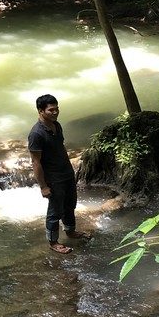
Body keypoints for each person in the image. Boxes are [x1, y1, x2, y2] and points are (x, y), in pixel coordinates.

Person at [28, 94, 90, 254]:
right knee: (55, 210)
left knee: (70, 204)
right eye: (51, 110)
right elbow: (36, 162)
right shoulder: (36, 134)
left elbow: (61, 146)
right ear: (41, 111)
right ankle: (53, 242)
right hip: (53, 178)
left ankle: (70, 231)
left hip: (66, 172)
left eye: (57, 109)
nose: (55, 112)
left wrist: (69, 167)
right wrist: (43, 186)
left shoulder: (57, 125)